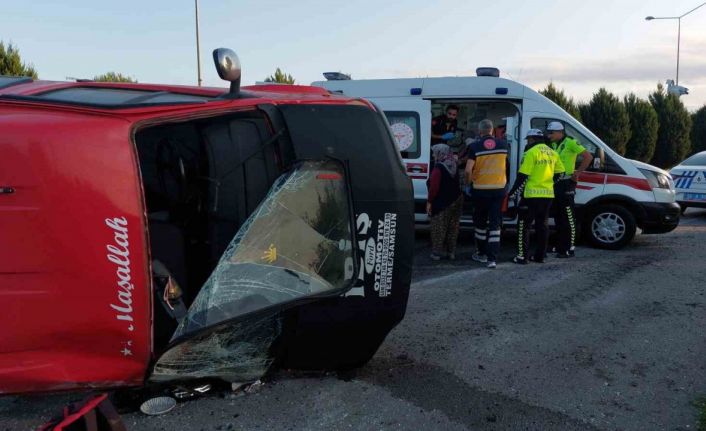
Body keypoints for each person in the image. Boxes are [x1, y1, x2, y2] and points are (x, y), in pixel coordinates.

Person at [508, 129, 565, 264]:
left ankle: (522, 257)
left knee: (524, 226)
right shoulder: (553, 153)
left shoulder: (531, 152)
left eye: (528, 140)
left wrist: (512, 194)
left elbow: (523, 176)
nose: (527, 142)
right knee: (543, 226)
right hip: (548, 195)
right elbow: (561, 173)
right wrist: (550, 183)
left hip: (531, 196)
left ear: (532, 139)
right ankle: (540, 256)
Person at [464, 119, 509, 269]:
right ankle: (492, 259)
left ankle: (481, 254)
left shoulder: (475, 146)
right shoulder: (503, 145)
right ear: (492, 130)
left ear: (480, 131)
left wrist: (468, 184)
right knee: (495, 225)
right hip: (498, 190)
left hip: (480, 190)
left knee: (480, 223)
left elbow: (468, 170)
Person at [545, 121, 594, 258]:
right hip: (555, 182)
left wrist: (578, 173)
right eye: (548, 133)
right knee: (558, 216)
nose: (549, 135)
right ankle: (559, 245)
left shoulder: (571, 142)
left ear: (560, 132)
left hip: (567, 182)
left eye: (551, 133)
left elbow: (588, 156)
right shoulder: (553, 144)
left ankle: (569, 247)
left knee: (568, 215)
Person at [427, 144, 463, 261]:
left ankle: (436, 253)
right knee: (453, 227)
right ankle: (451, 252)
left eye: (434, 152)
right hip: (456, 200)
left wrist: (429, 201)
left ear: (440, 153)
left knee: (439, 227)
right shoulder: (454, 164)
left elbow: (434, 188)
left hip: (442, 202)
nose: (433, 155)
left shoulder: (439, 167)